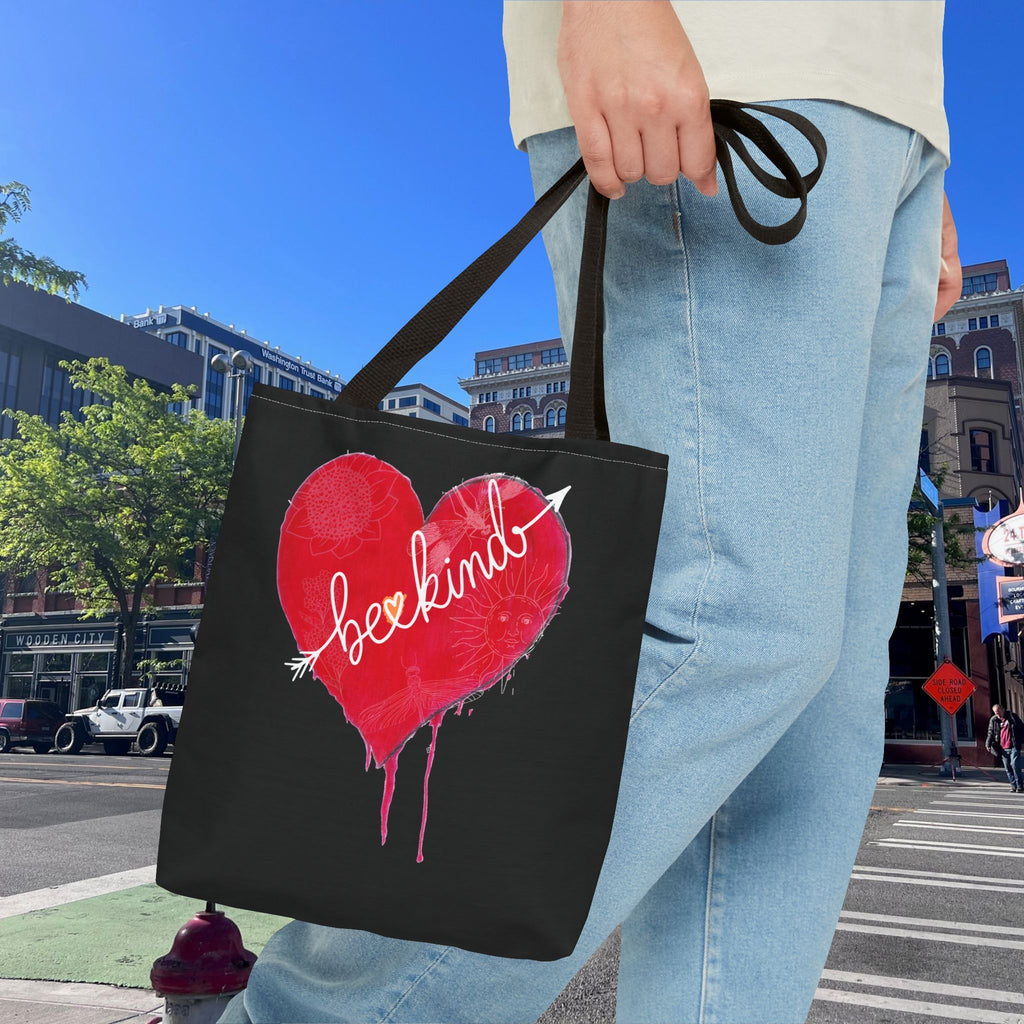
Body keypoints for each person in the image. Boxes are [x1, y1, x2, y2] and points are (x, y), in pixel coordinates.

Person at [217, 2, 961, 1021]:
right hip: (729, 54)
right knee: (725, 621)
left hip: (884, 106)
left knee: (814, 716)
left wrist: (916, 137)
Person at [985, 704, 1024, 792]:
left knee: (1015, 765)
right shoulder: (994, 720)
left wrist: (1021, 740)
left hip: (1014, 745)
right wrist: (988, 744)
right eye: (995, 713)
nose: (998, 714)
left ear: (1003, 709)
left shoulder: (1012, 717)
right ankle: (1013, 786)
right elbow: (990, 732)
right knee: (1007, 767)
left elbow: (1021, 728)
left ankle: (1020, 786)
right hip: (1002, 747)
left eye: (999, 712)